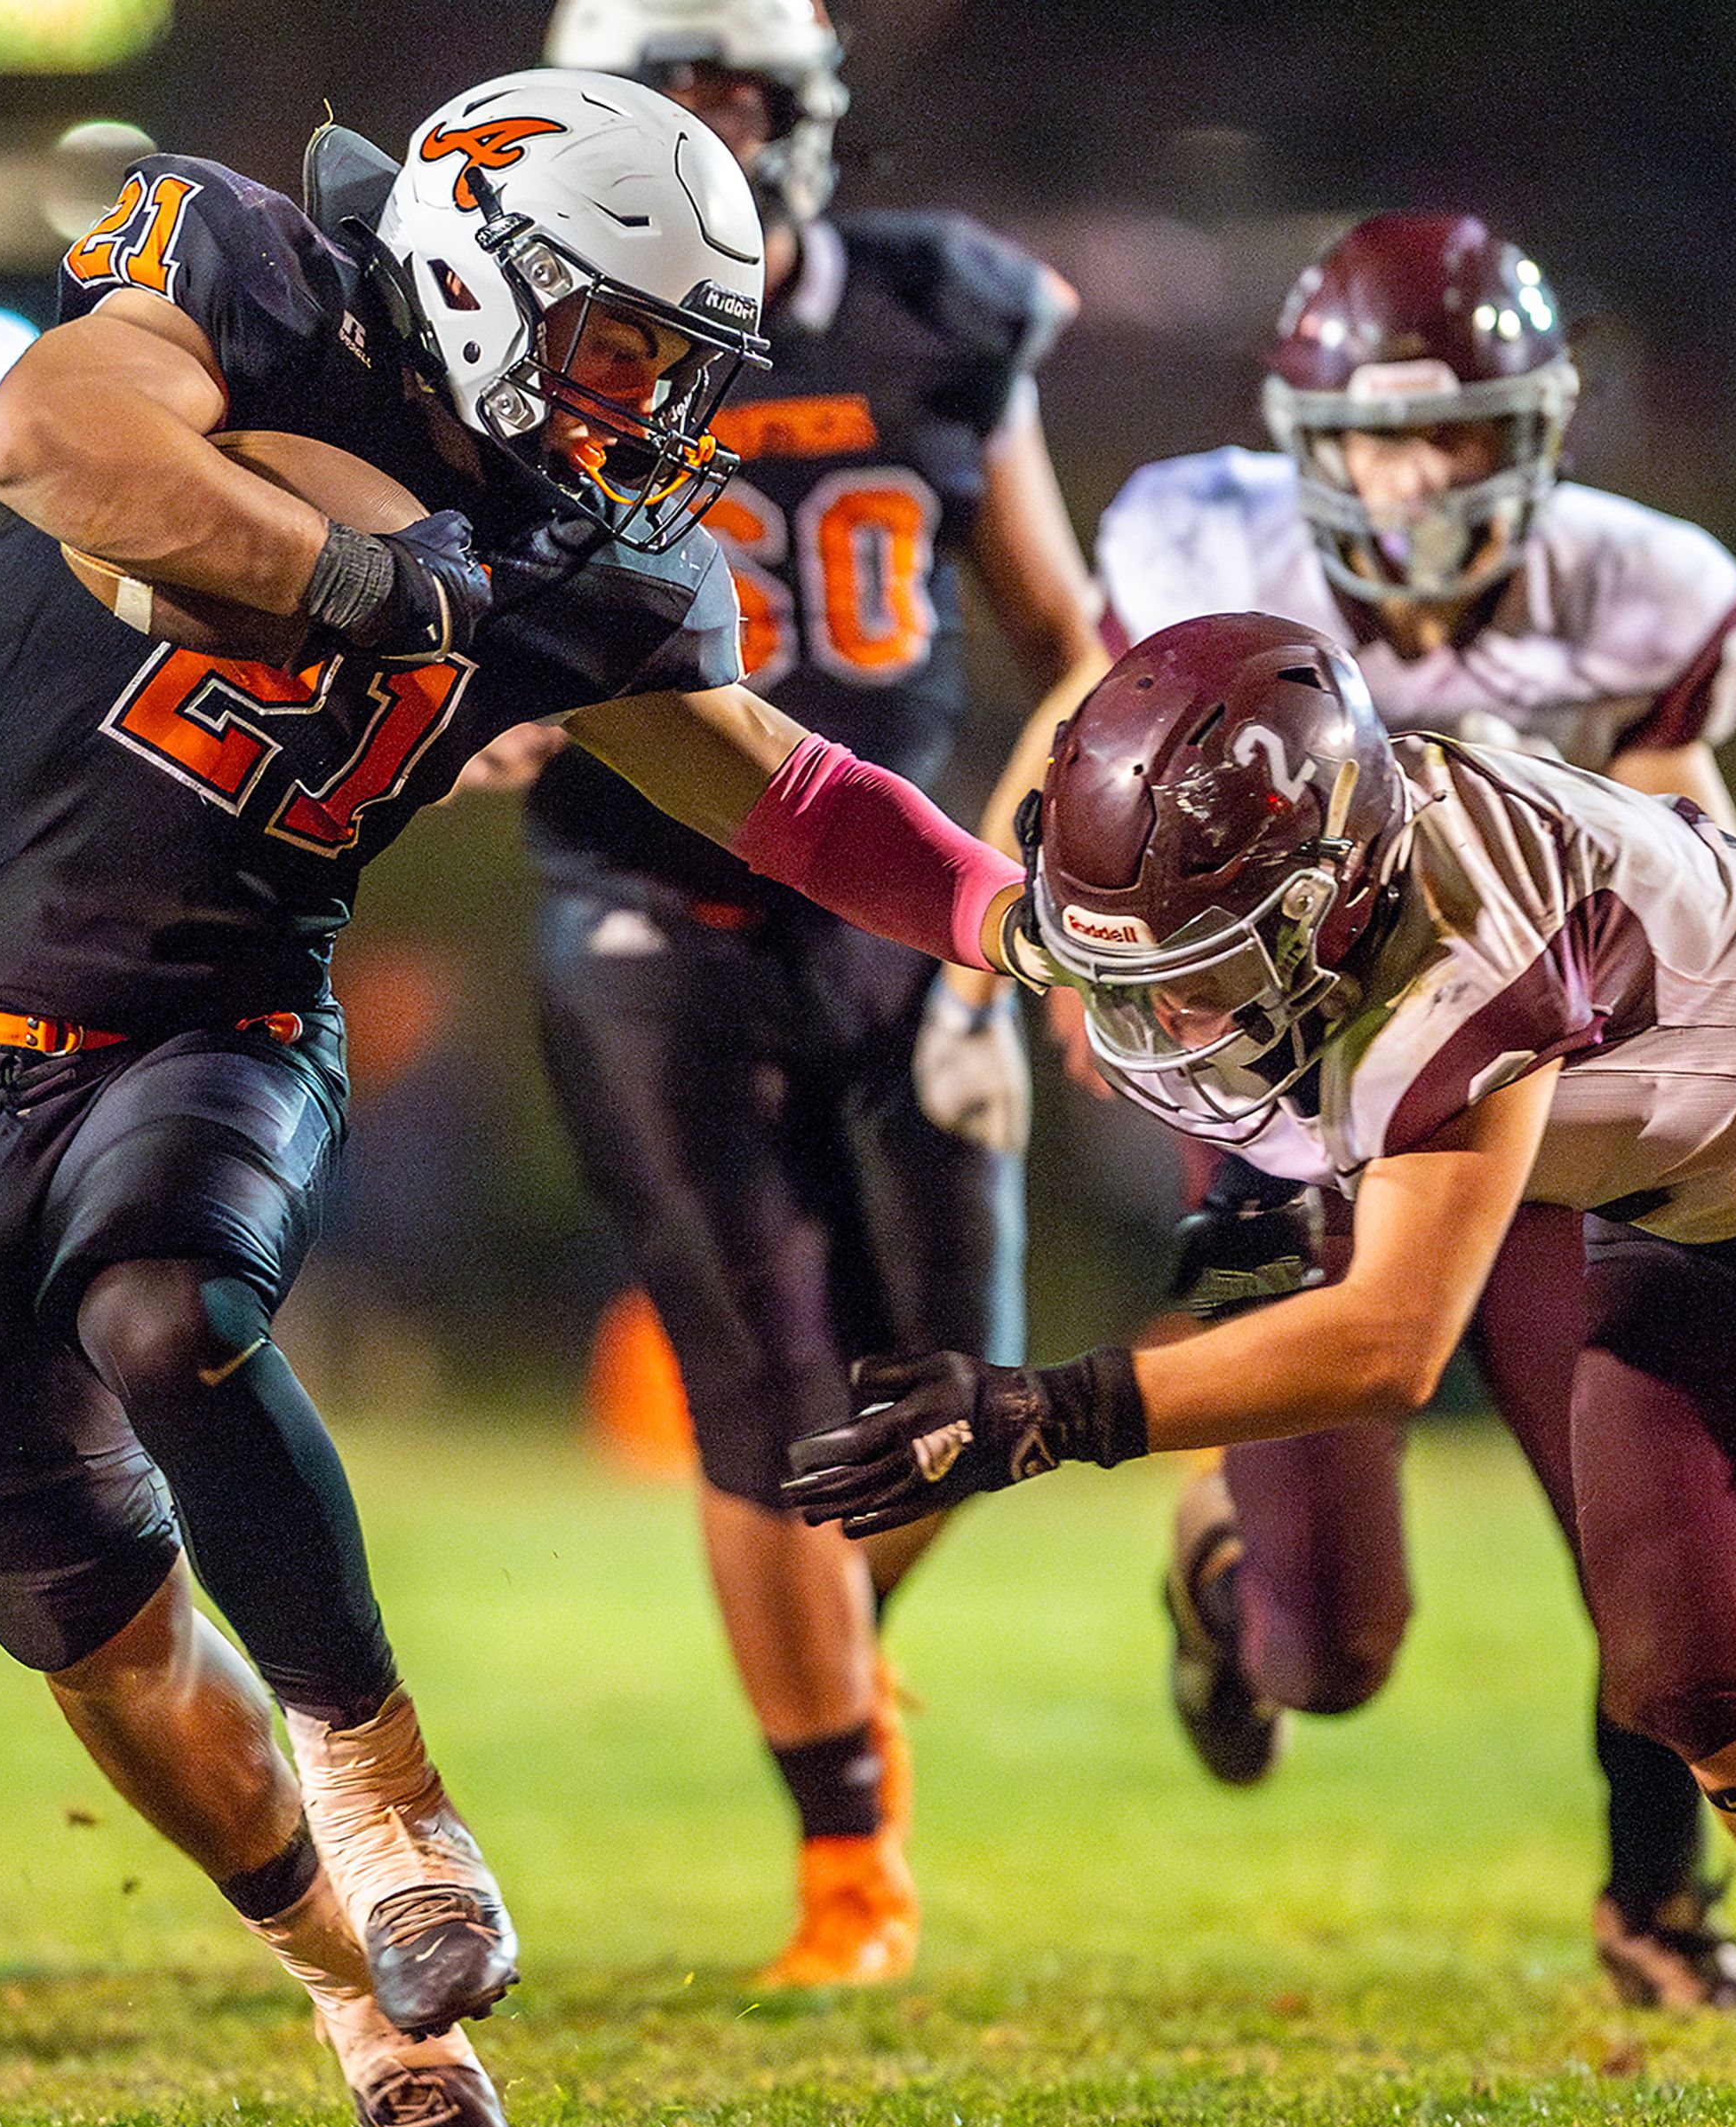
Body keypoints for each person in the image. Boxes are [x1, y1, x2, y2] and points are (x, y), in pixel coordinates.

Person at [0, 67, 1029, 2127]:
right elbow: (44, 436)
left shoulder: (573, 546)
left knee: (170, 1310)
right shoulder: (250, 274)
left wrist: (1028, 926)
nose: (643, 399)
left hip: (213, 1015)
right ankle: (345, 1986)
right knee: (93, 1638)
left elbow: (784, 786)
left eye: (676, 358)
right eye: (617, 339)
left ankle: (383, 1785)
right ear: (480, 273)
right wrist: (360, 587)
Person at [787, 610, 1736, 2127]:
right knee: (1702, 1674)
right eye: (1142, 971)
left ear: (1333, 891)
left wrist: (1047, 1410)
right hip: (1690, 1212)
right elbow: (829, 821)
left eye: (1206, 969)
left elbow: (1387, 1341)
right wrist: (625, 671)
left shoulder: (1462, 935)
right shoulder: (1206, 878)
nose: (1170, 1018)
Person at [1020, 212, 1736, 2011]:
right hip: (1288, 1106)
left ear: (1537, 432)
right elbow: (1085, 741)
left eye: (1451, 436)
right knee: (1331, 1652)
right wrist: (1021, 944)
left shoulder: (1643, 587)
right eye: (1372, 437)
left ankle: (1656, 1895)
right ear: (1301, 442)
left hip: (1520, 1094)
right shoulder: (1210, 539)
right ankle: (1226, 1558)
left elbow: (1685, 824)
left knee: (1639, 1512)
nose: (1412, 480)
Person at [490, 0, 1101, 1987]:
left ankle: (822, 1672)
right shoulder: (540, 309)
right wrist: (473, 703)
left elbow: (1066, 641)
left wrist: (1008, 894)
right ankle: (849, 1850)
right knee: (759, 1386)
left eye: (743, 97)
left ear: (814, 115)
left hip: (899, 896)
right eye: (674, 98)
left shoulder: (938, 313)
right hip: (649, 899)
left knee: (961, 1372)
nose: (712, 136)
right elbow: (449, 578)